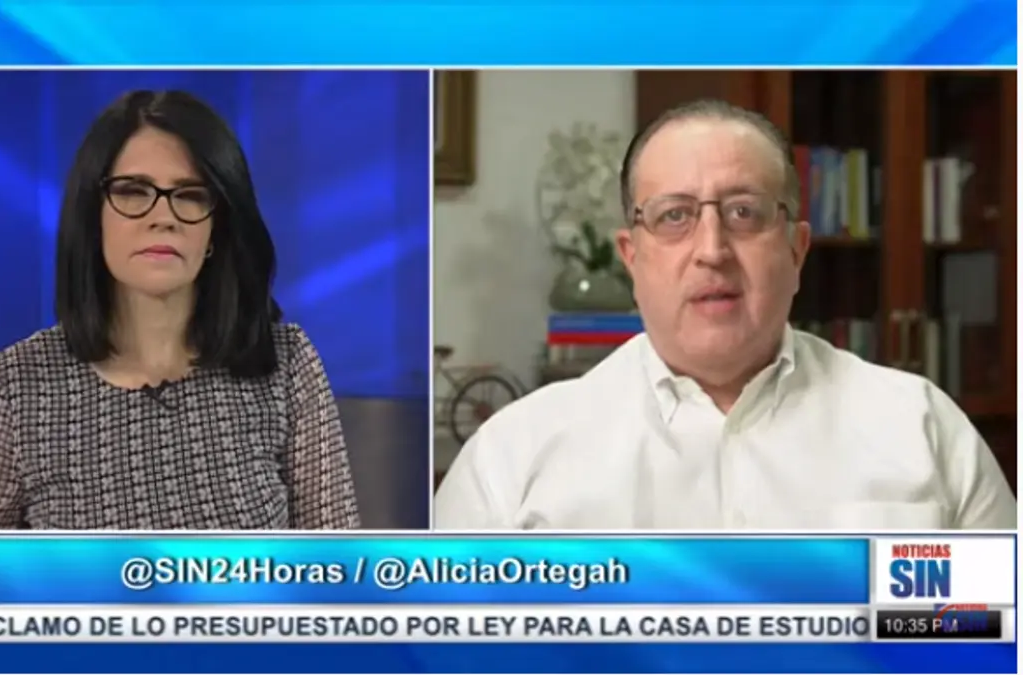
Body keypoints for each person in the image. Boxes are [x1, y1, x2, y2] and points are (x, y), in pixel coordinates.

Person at [435, 98, 1016, 531]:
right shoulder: (511, 460)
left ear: (796, 250)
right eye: (674, 216)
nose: (712, 250)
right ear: (632, 259)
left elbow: (999, 634)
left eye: (744, 212)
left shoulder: (922, 428)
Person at [0, 90, 361, 530]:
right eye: (133, 192)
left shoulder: (285, 365)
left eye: (190, 195)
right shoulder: (17, 385)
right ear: (93, 218)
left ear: (216, 229)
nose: (163, 217)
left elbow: (340, 561)